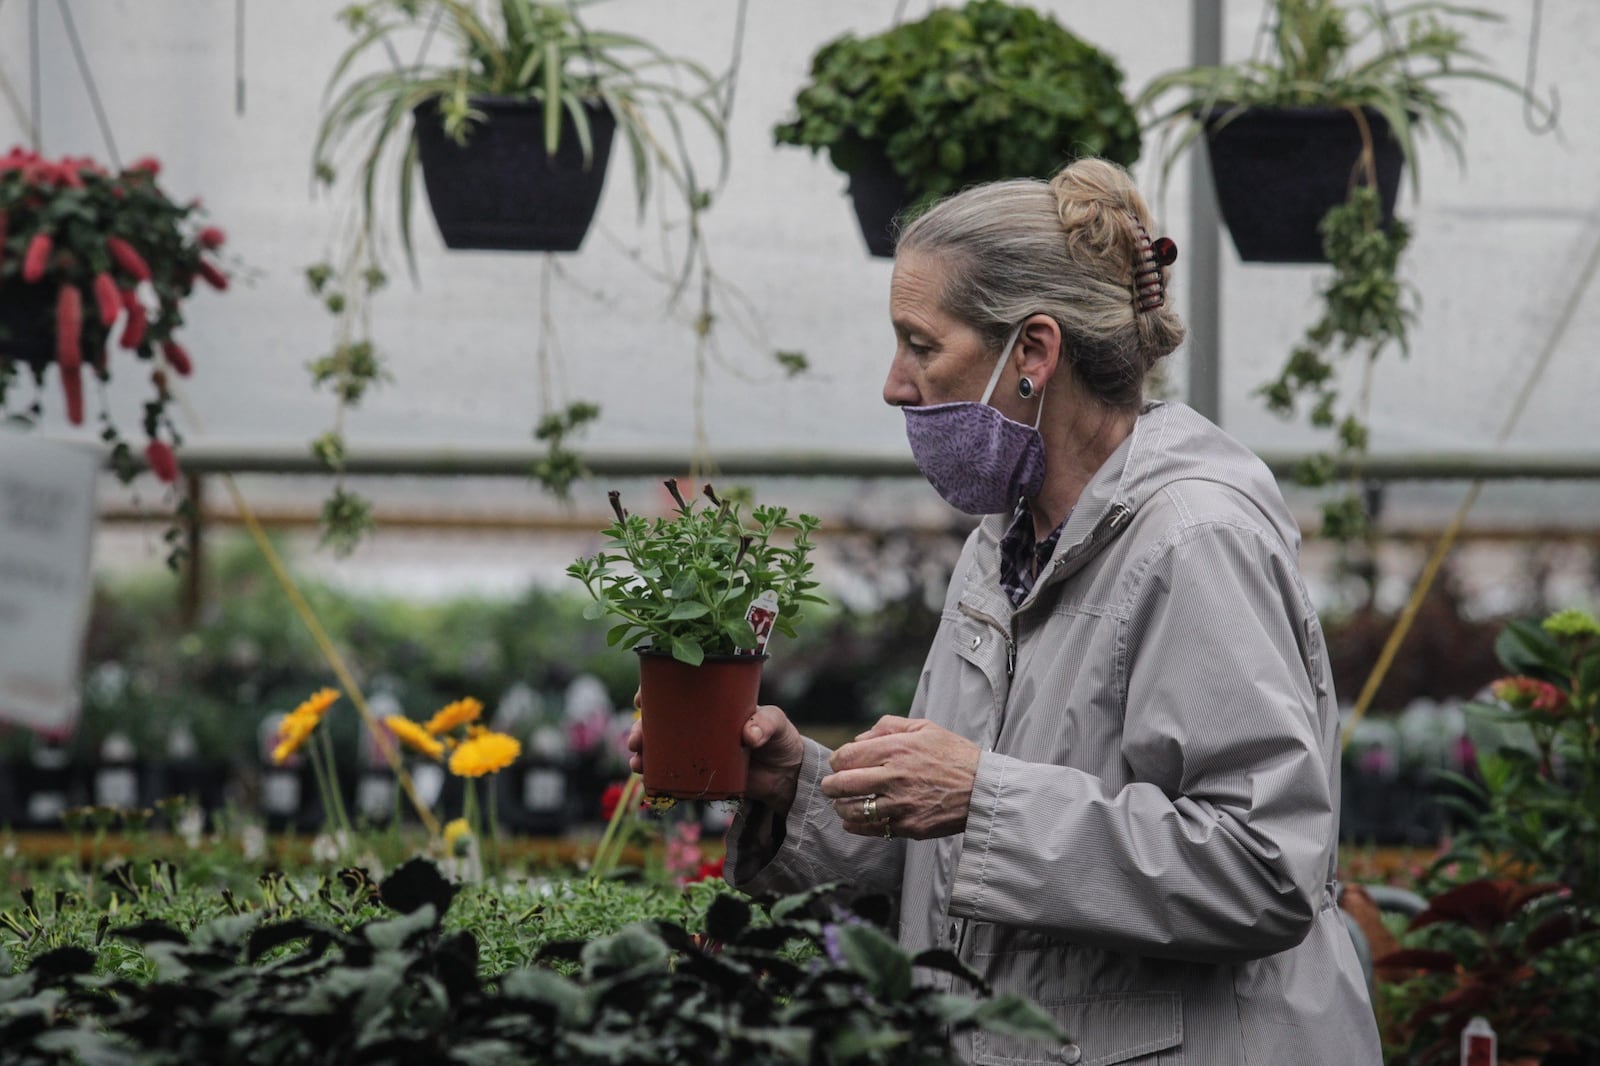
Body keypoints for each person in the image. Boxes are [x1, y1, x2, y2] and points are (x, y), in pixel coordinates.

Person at [628, 158, 1382, 1065]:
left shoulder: (1193, 541)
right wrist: (802, 793)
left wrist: (980, 795)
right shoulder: (1007, 546)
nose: (895, 384)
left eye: (921, 343)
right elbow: (966, 859)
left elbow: (1265, 868)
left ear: (1033, 353)